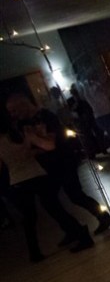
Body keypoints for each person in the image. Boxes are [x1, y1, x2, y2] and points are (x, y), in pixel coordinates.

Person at [5, 91, 110, 243]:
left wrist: (35, 146)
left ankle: (98, 219)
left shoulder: (46, 116)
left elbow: (51, 144)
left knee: (73, 195)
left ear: (24, 105)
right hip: (48, 166)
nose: (13, 115)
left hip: (63, 161)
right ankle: (74, 228)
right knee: (51, 201)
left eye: (14, 110)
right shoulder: (25, 123)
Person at [1, 109, 91, 262]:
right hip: (37, 174)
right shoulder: (24, 132)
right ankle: (81, 235)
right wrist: (34, 149)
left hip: (18, 180)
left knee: (29, 218)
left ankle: (35, 253)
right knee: (54, 208)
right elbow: (49, 146)